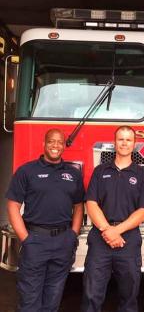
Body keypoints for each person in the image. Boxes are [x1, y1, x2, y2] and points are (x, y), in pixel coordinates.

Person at [5, 128, 84, 312]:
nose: (55, 146)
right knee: (29, 300)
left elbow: (79, 206)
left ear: (64, 146)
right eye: (51, 141)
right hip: (35, 240)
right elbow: (13, 207)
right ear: (44, 144)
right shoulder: (26, 171)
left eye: (59, 142)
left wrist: (73, 234)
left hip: (63, 241)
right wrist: (26, 238)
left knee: (53, 299)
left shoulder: (73, 174)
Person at [81, 126, 144, 312]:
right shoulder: (100, 171)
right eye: (120, 139)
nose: (124, 143)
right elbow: (91, 204)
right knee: (91, 295)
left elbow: (143, 211)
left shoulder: (142, 175)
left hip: (128, 241)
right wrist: (107, 230)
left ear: (134, 144)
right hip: (100, 238)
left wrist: (117, 231)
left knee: (129, 297)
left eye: (128, 140)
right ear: (115, 143)